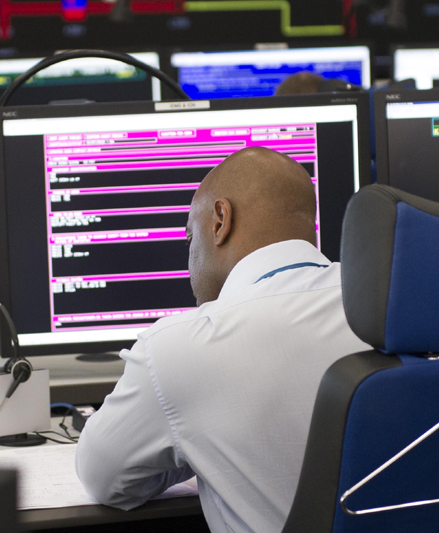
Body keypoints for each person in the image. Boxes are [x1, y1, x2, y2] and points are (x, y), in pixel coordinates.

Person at [75, 146, 369, 533]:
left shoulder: (179, 348)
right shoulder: (392, 304)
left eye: (188, 238)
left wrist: (195, 447)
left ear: (219, 221)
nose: (190, 257)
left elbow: (104, 479)